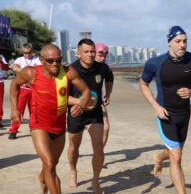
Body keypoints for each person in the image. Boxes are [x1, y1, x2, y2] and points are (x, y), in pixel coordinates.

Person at [10, 44, 90, 194]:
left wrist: (82, 104)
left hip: (59, 127)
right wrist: (15, 108)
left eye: (58, 60)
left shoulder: (68, 72)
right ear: (41, 60)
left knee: (51, 165)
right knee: (50, 164)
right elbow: (15, 85)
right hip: (39, 126)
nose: (55, 63)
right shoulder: (30, 73)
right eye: (50, 60)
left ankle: (42, 179)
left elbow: (86, 91)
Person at [140, 26, 191, 194]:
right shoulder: (155, 63)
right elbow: (143, 84)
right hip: (166, 115)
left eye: (185, 41)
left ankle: (159, 157)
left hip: (184, 115)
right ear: (169, 43)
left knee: (174, 152)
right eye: (178, 41)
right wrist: (156, 106)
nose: (182, 45)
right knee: (177, 156)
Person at [67, 39, 114, 193]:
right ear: (78, 53)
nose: (90, 54)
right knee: (74, 147)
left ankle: (95, 180)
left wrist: (108, 94)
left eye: (92, 51)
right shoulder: (70, 70)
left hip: (95, 113)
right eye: (86, 51)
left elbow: (110, 77)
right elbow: (63, 97)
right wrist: (80, 103)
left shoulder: (102, 68)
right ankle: (73, 171)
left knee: (98, 148)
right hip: (76, 112)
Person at [8, 43, 41, 139]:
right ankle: (13, 130)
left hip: (34, 89)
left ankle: (33, 130)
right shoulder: (19, 59)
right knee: (18, 110)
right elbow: (15, 68)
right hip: (23, 89)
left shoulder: (37, 59)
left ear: (32, 51)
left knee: (34, 111)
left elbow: (41, 71)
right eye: (25, 53)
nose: (27, 55)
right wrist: (28, 74)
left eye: (29, 52)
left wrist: (23, 73)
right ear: (22, 52)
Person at [95, 42, 114, 148]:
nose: (103, 58)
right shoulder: (85, 64)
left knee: (106, 128)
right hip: (81, 101)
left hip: (99, 102)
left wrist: (107, 95)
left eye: (105, 56)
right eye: (100, 55)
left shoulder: (105, 66)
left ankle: (99, 152)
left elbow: (110, 79)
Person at [0, 54, 9, 127]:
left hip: (0, 82)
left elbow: (6, 68)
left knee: (0, 102)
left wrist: (1, 60)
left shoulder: (1, 58)